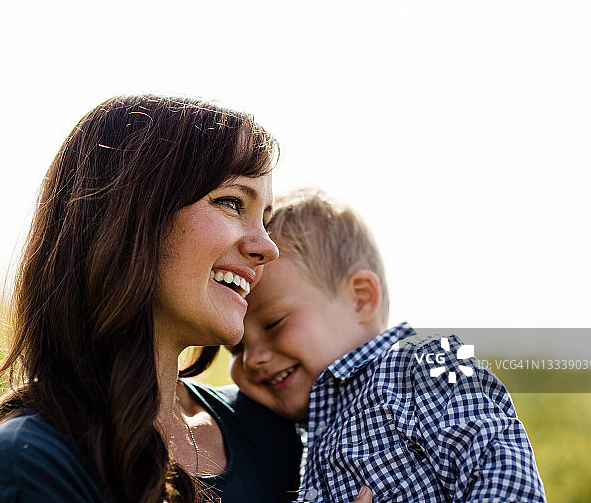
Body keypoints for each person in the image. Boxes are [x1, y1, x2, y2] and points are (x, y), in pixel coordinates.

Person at [0, 95, 342, 503]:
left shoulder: (268, 428)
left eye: (265, 219)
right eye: (231, 202)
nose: (267, 247)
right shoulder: (30, 465)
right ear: (129, 218)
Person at [229, 190, 547, 503]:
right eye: (236, 346)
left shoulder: (417, 367)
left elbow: (499, 469)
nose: (252, 358)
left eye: (274, 323)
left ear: (361, 298)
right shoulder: (291, 441)